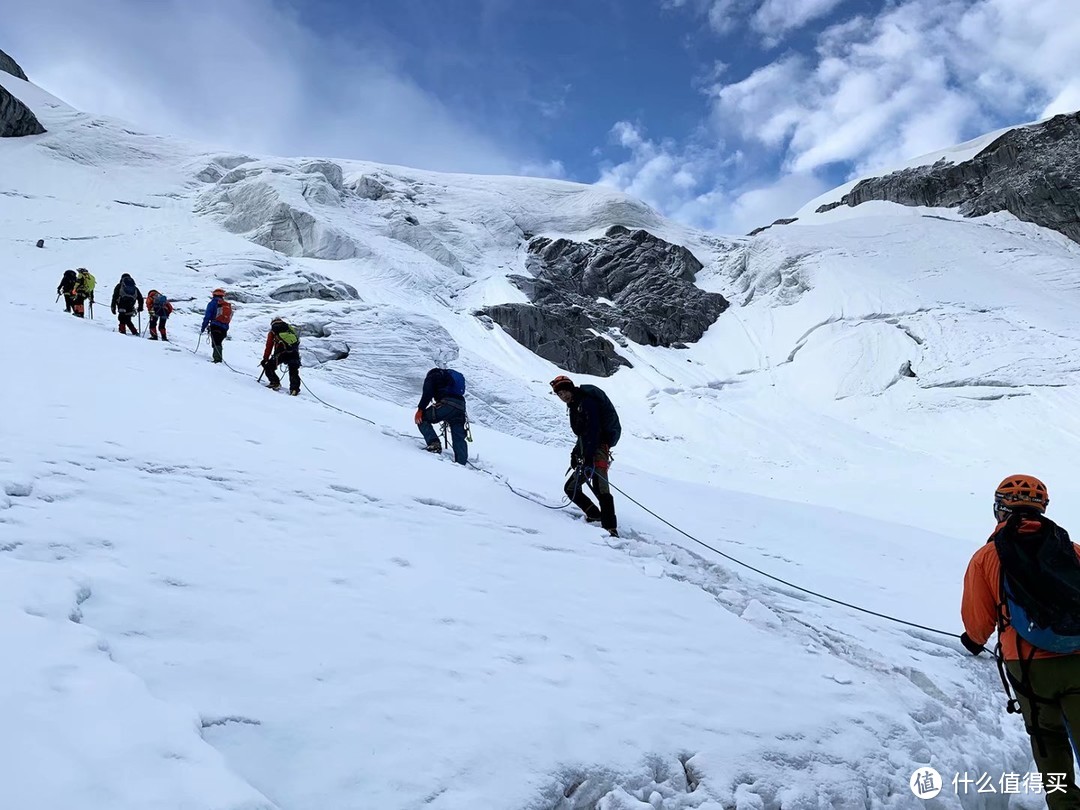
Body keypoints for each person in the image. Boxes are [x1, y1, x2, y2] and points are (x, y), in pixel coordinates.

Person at [961, 475, 1080, 809]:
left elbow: (978, 618)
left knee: (1048, 740)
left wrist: (972, 642)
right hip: (1078, 657)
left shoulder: (986, 557)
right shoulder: (1071, 551)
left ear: (1000, 509)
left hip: (1028, 665)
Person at [550, 375, 621, 537]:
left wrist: (587, 457)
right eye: (559, 394)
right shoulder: (575, 405)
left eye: (564, 391)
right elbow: (583, 435)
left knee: (601, 487)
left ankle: (611, 528)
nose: (563, 396)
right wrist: (576, 454)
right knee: (572, 487)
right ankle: (595, 514)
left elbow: (593, 431)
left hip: (599, 449)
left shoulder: (587, 403)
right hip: (588, 450)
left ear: (571, 388)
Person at [414, 367, 468, 465]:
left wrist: (420, 409)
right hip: (461, 406)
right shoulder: (448, 378)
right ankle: (461, 462)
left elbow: (428, 392)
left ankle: (434, 444)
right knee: (458, 436)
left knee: (422, 419)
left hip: (447, 404)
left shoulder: (433, 376)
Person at [261, 317, 302, 395]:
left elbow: (269, 346)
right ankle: (294, 389)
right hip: (293, 352)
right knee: (293, 370)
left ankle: (275, 383)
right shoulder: (289, 329)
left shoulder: (273, 332)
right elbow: (296, 342)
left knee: (268, 366)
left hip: (281, 353)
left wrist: (265, 359)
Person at [199, 288, 232, 363]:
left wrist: (203, 328)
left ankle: (217, 359)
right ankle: (218, 357)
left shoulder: (212, 303)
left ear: (214, 295)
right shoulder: (225, 304)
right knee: (218, 342)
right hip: (224, 328)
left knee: (216, 342)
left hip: (215, 325)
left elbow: (207, 316)